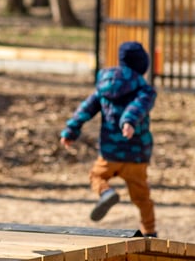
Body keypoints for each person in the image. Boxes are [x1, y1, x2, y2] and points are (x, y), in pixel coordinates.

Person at [60, 41, 157, 238]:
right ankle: (150, 231)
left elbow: (85, 109)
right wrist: (128, 122)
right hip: (136, 155)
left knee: (97, 177)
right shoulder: (145, 90)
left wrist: (71, 130)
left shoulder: (104, 87)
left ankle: (106, 193)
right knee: (142, 197)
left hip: (110, 153)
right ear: (142, 66)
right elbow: (138, 107)